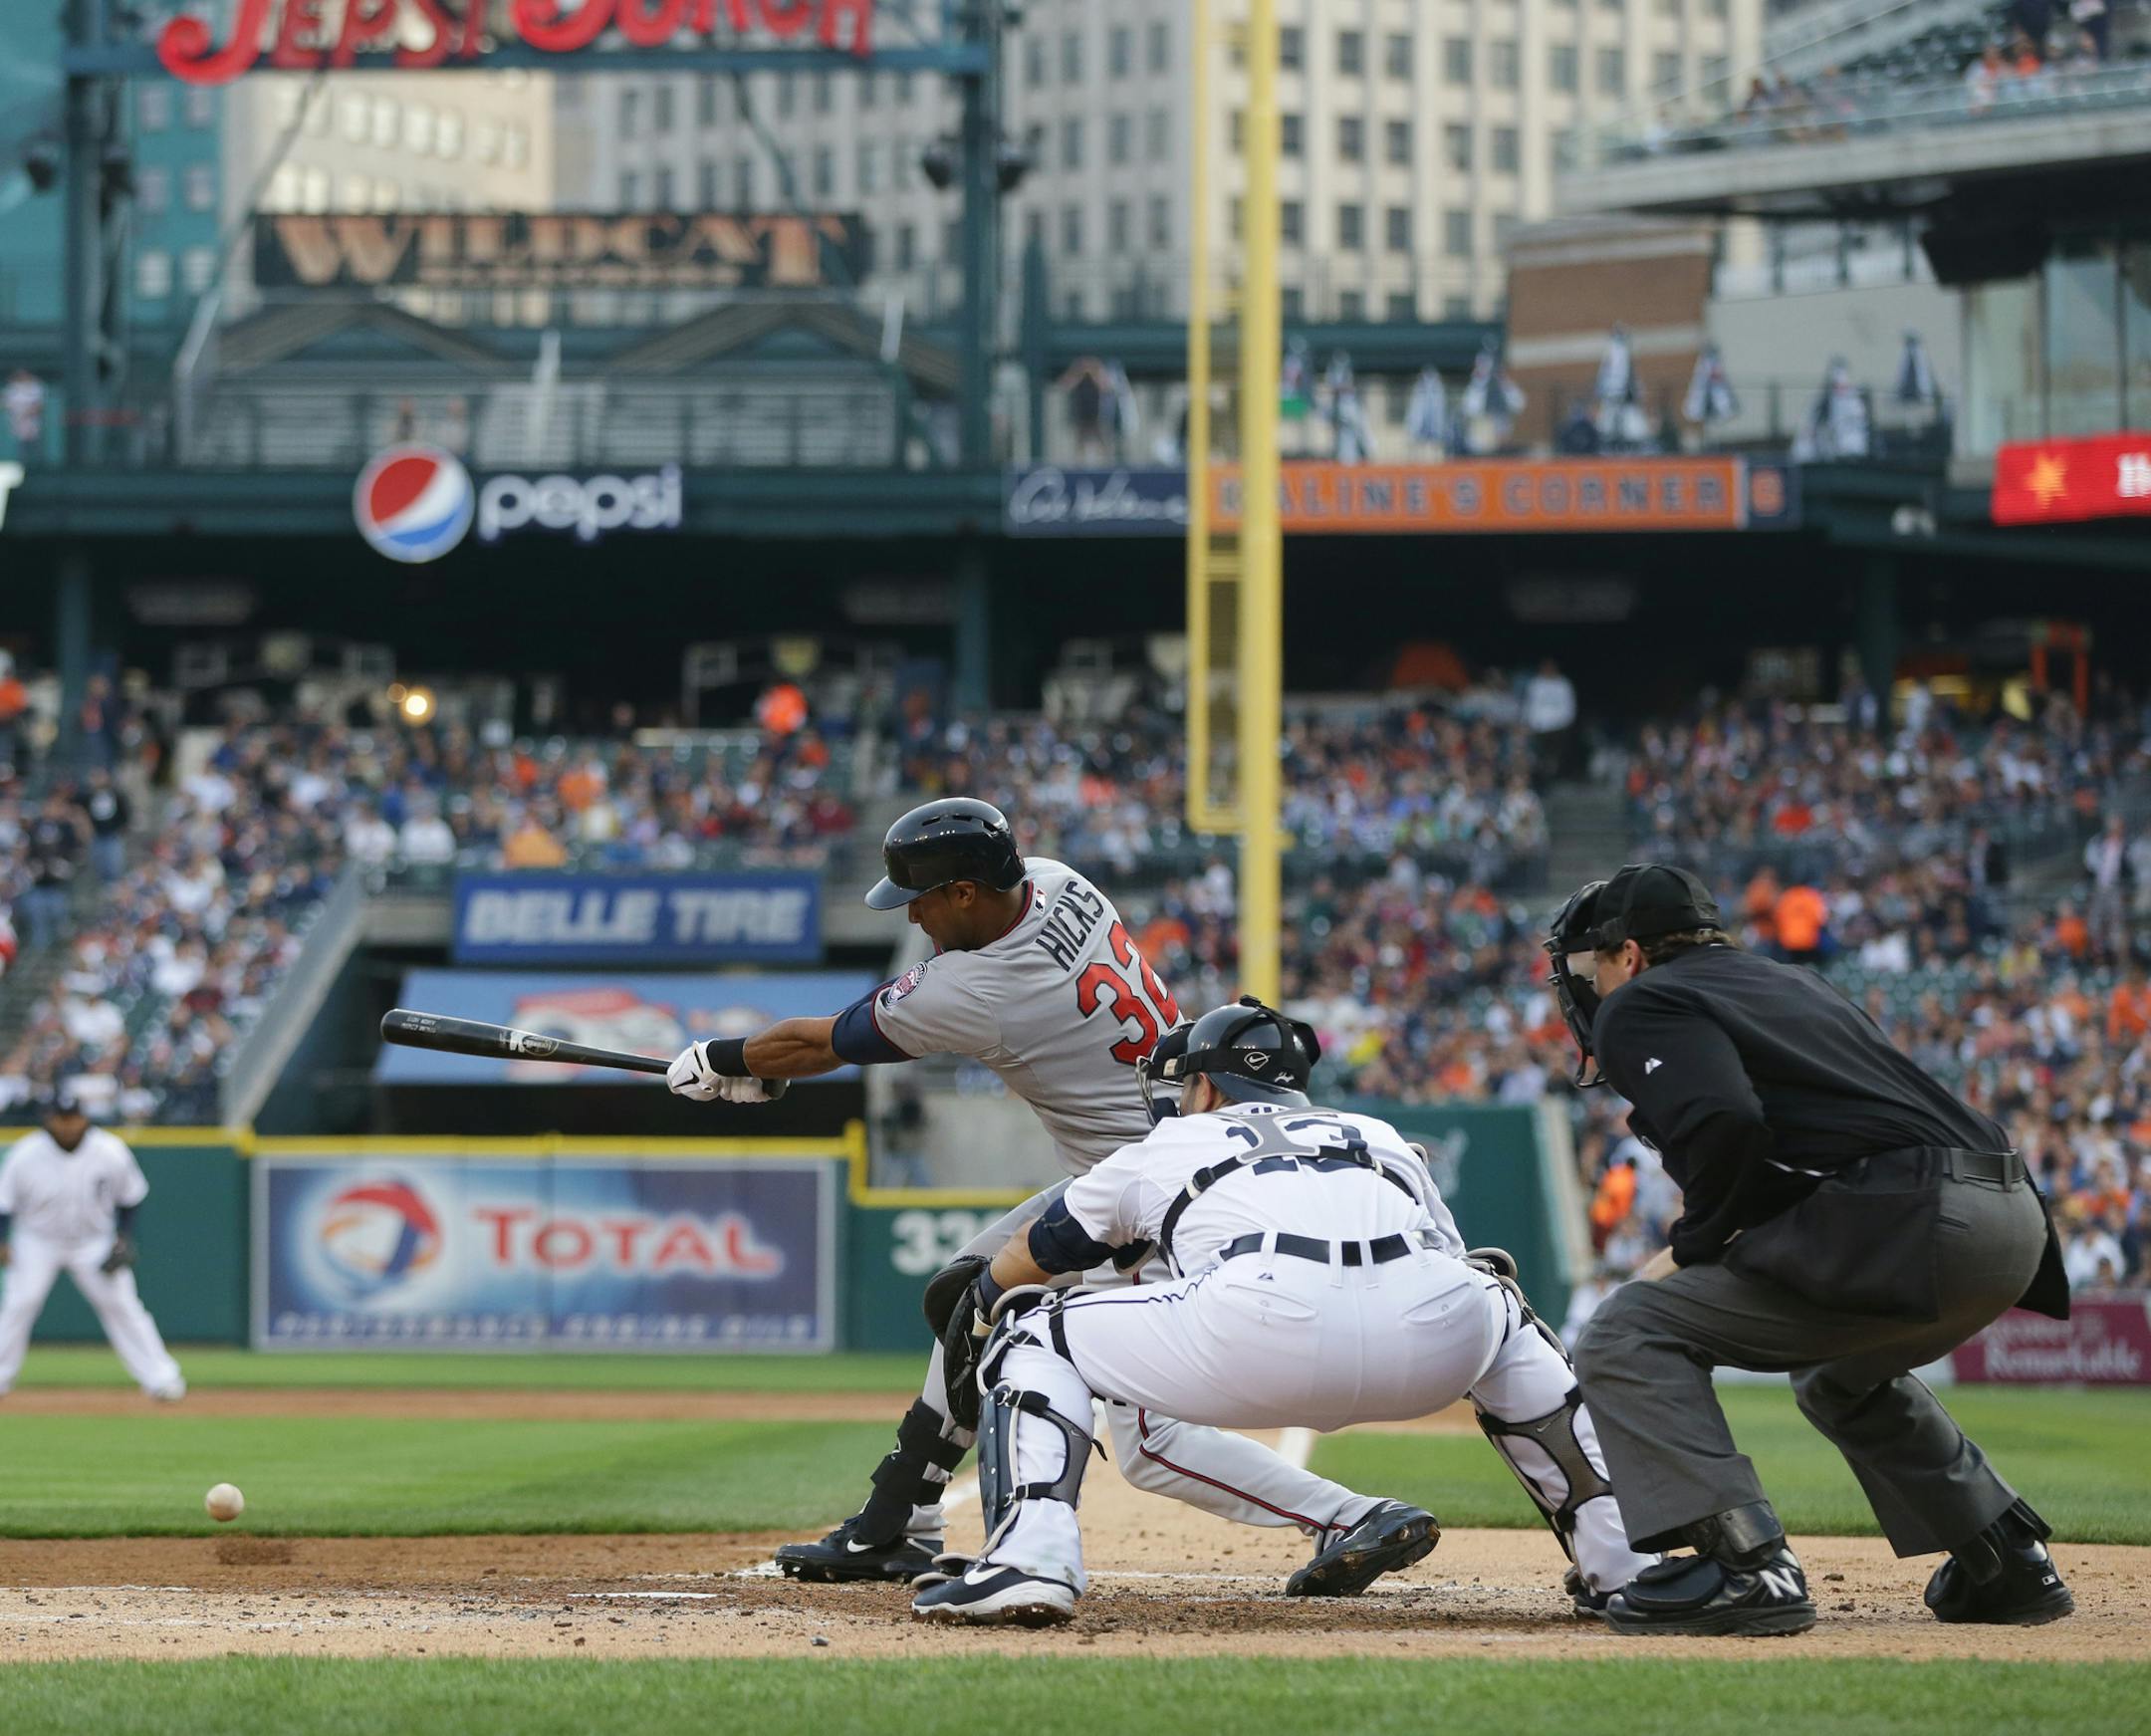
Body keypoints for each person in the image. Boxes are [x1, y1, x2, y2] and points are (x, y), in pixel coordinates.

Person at [665, 799, 1410, 1593]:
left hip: (1150, 1190)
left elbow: (823, 1041)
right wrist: (764, 1066)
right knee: (968, 1297)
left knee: (1151, 1442)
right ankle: (897, 1520)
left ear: (964, 893)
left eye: (921, 897)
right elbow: (836, 1040)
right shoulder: (1060, 881)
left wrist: (723, 1058)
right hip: (1150, 1155)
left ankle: (1350, 1515)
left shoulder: (979, 983)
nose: (913, 915)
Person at [909, 998, 1657, 1625]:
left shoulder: (1176, 1138)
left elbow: (1035, 1253)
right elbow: (1454, 1259)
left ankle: (1031, 1556)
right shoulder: (1378, 1133)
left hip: (1253, 1330)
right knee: (1498, 1304)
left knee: (1031, 1322)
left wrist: (978, 1296)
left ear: (1205, 1086)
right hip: (1426, 1344)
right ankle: (1621, 1561)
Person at [1545, 865, 2073, 1636]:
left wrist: (1696, 1239)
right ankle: (2004, 1557)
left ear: (1629, 954)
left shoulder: (1644, 1001)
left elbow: (1727, 1118)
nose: (1591, 992)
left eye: (1592, 971)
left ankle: (1746, 1566)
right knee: (1840, 1374)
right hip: (2013, 1220)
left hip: (1915, 1217)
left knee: (1626, 1332)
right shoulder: (1788, 984)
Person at [0, 1092, 185, 1401]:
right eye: (62, 1117)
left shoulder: (110, 1150)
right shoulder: (26, 1153)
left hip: (93, 1242)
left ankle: (162, 1379)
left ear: (85, 1117)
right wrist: (2, 1240)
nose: (68, 1124)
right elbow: (4, 1202)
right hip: (37, 1241)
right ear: (50, 1118)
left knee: (123, 1306)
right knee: (20, 1304)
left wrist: (123, 1237)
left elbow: (131, 1197)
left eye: (73, 1117)